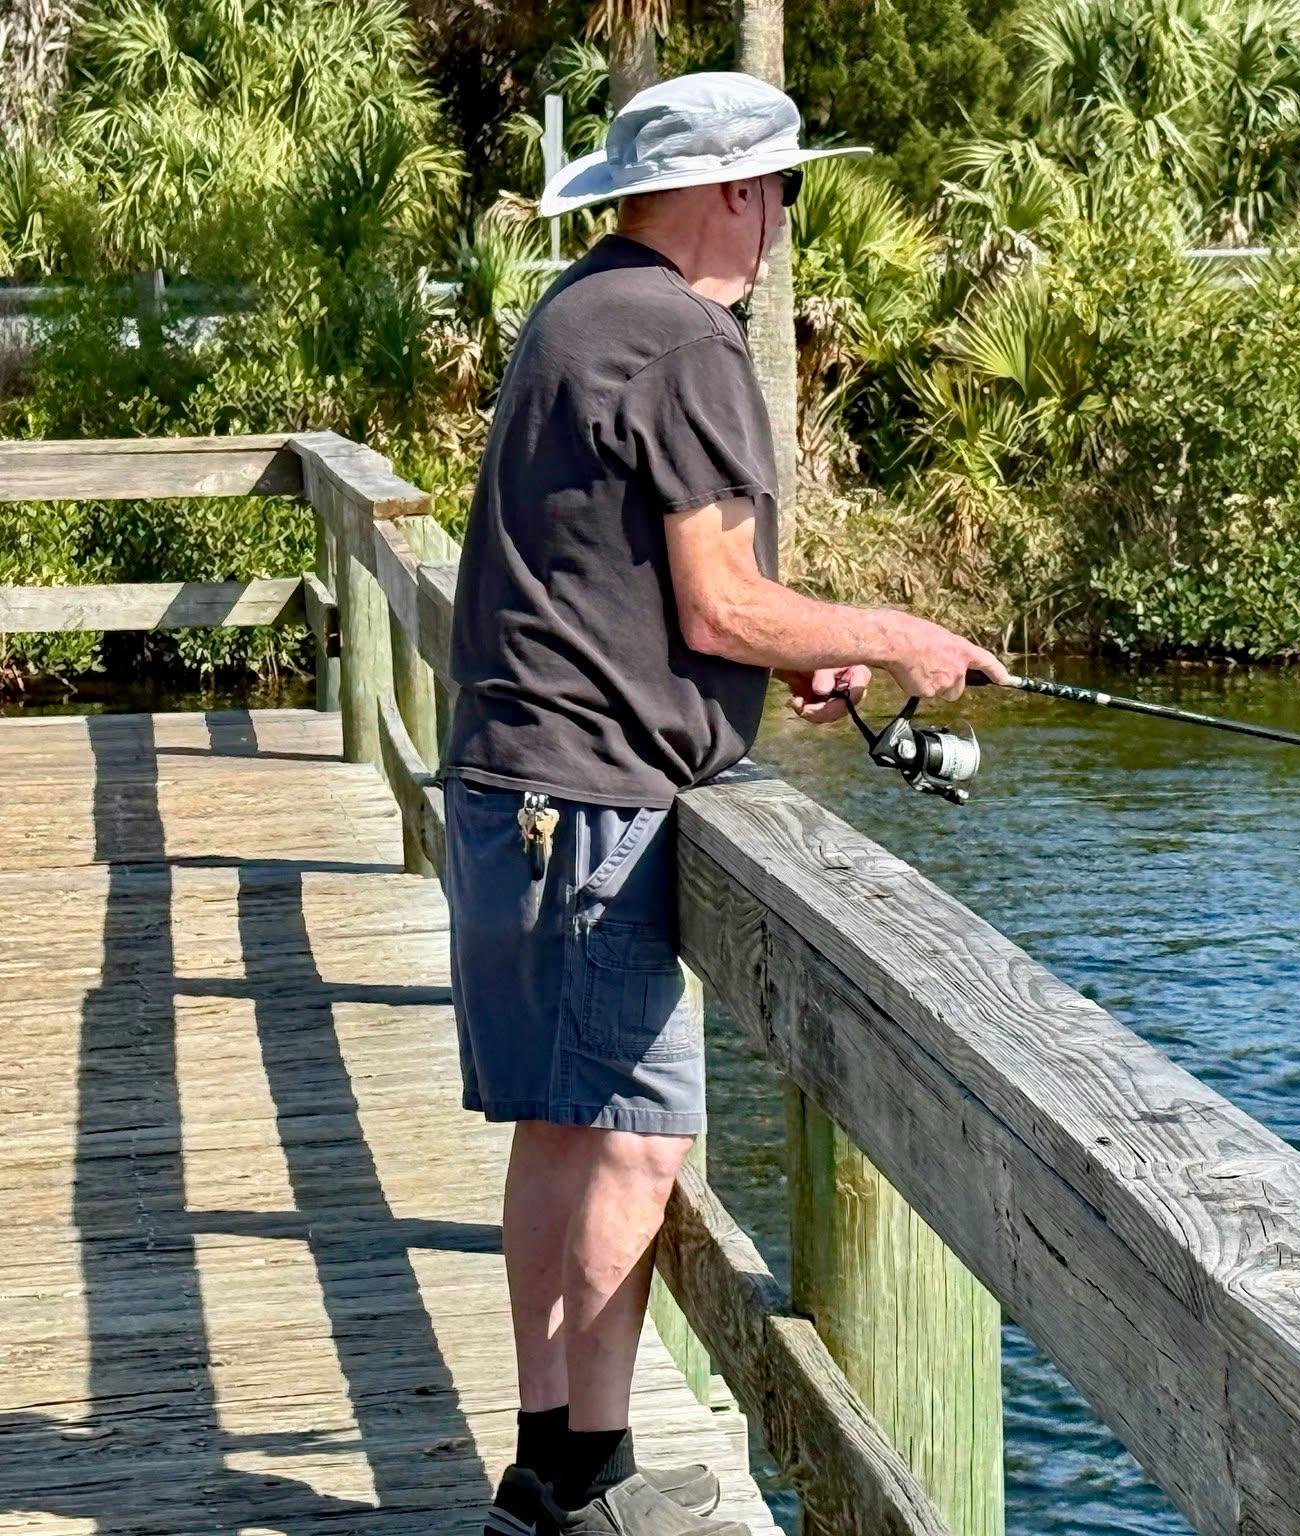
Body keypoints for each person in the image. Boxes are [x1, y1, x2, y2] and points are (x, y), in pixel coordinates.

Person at [442, 72, 1009, 1536]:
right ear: (730, 193)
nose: (777, 220)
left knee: (564, 1130)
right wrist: (894, 636)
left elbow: (629, 586)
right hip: (591, 805)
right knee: (632, 1137)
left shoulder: (577, 310)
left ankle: (550, 1455)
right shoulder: (688, 342)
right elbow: (719, 600)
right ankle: (578, 1470)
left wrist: (797, 654)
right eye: (777, 189)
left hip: (520, 787)